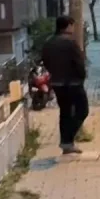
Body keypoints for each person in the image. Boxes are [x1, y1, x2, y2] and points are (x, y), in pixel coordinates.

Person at [40, 15, 89, 154]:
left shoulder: (48, 43)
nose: (73, 28)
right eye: (72, 25)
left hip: (57, 83)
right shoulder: (70, 43)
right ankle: (67, 140)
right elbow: (79, 64)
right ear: (67, 26)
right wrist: (82, 76)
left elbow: (46, 61)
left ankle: (67, 144)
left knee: (65, 112)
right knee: (82, 110)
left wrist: (55, 74)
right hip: (73, 83)